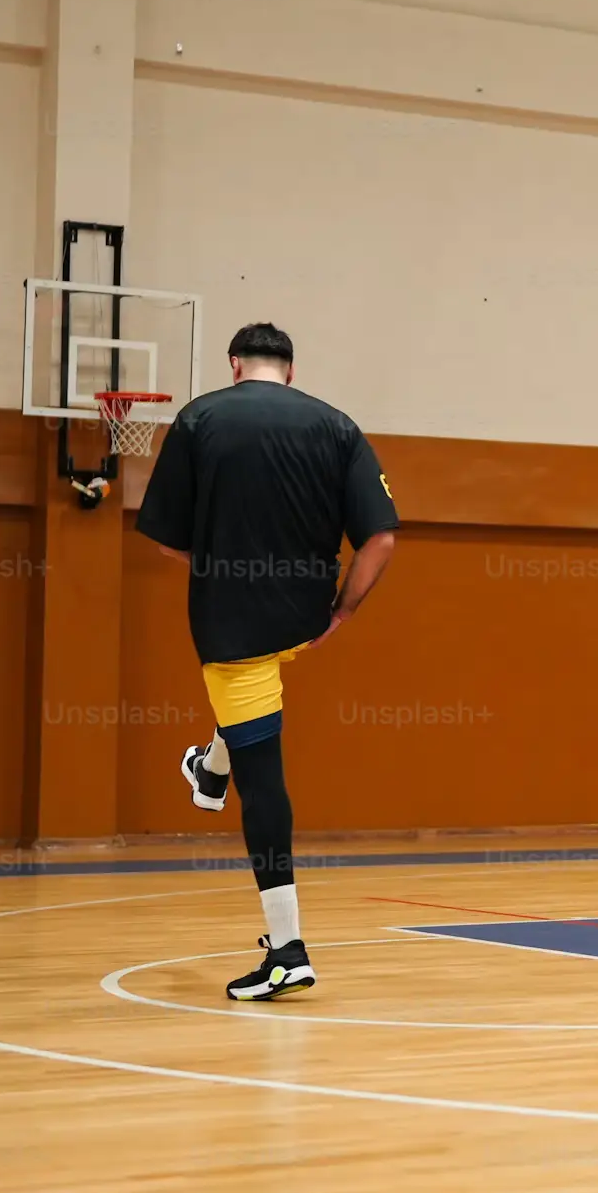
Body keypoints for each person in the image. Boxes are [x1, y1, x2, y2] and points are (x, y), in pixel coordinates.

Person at [139, 323, 400, 999]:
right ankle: (208, 769)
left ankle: (288, 949)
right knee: (242, 723)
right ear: (290, 369)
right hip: (303, 617)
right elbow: (381, 539)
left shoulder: (199, 417)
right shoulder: (337, 425)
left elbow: (167, 542)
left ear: (234, 365)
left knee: (265, 777)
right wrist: (341, 608)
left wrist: (223, 569)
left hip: (233, 628)